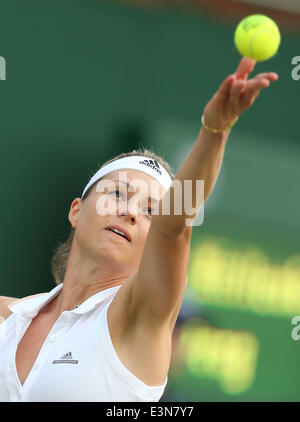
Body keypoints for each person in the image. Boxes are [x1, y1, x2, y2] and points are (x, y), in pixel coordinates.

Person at [0, 57, 278, 402]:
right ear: (76, 210)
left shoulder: (140, 318)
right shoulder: (9, 319)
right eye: (117, 193)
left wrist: (215, 129)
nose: (130, 212)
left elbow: (175, 225)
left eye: (150, 211)